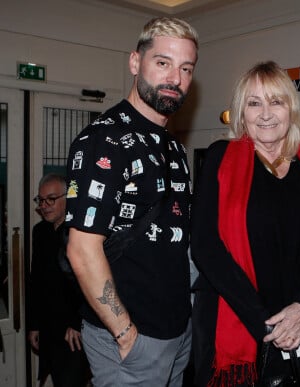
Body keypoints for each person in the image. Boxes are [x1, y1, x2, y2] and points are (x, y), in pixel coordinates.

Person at [190, 61, 300, 387]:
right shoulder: (220, 158)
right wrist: (265, 323)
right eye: (254, 103)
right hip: (239, 318)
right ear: (241, 111)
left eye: (275, 101)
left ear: (290, 108)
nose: (265, 113)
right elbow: (206, 246)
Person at [64, 17, 197, 387]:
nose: (175, 77)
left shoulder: (171, 145)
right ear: (135, 63)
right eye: (163, 62)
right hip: (131, 343)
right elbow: (81, 249)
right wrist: (125, 335)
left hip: (176, 333)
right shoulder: (104, 140)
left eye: (186, 68)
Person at [27, 173, 90, 387]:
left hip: (73, 330)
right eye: (40, 200)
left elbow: (89, 284)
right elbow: (36, 280)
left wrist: (76, 322)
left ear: (68, 198)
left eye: (51, 199)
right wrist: (34, 324)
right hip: (48, 327)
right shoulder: (40, 231)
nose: (44, 205)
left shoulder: (80, 233)